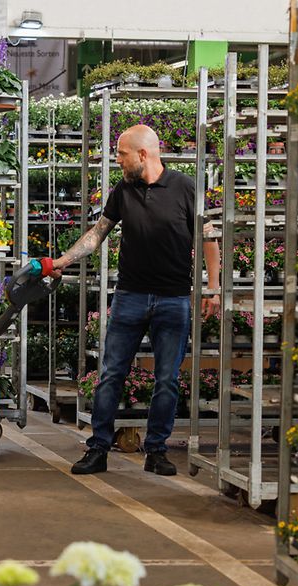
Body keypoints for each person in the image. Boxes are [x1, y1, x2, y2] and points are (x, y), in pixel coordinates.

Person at [50, 124, 221, 476]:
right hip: (130, 296)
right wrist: (62, 261)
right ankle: (98, 448)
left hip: (174, 299)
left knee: (167, 379)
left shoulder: (185, 187)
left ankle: (156, 451)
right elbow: (98, 234)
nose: (117, 160)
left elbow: (209, 238)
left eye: (122, 154)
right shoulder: (123, 190)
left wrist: (214, 287)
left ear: (143, 154)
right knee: (111, 373)